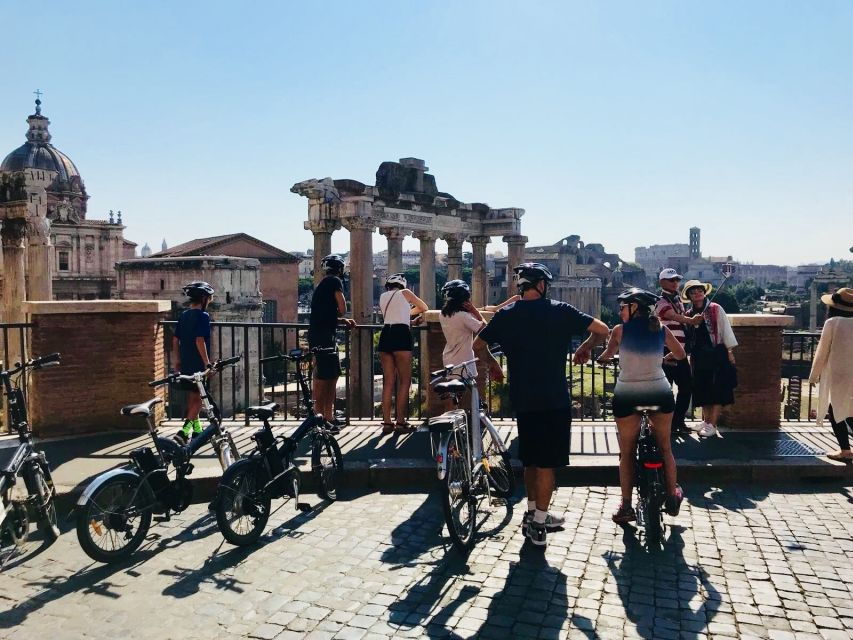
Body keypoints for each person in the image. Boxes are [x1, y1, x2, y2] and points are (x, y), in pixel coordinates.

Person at [475, 263, 610, 547]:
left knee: (531, 460)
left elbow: (477, 345)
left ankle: (531, 513)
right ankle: (539, 523)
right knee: (547, 463)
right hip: (553, 398)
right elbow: (602, 329)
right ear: (541, 285)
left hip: (523, 398)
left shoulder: (506, 315)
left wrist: (493, 364)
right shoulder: (561, 310)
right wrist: (585, 347)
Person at [597, 288, 686, 523]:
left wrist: (603, 358)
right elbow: (681, 354)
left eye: (622, 307)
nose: (619, 311)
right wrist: (663, 359)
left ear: (634, 307)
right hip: (659, 393)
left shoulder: (619, 331)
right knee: (665, 448)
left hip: (627, 396)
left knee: (626, 453)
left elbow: (608, 353)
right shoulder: (662, 329)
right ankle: (672, 496)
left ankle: (626, 507)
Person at [683, 280, 738, 438]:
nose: (697, 294)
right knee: (703, 389)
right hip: (699, 355)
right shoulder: (688, 314)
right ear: (689, 296)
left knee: (717, 389)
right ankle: (706, 421)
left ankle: (712, 424)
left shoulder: (715, 308)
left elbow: (725, 329)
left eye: (699, 291)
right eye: (693, 292)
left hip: (717, 353)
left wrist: (729, 350)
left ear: (704, 292)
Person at [308, 254, 356, 433]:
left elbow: (324, 314)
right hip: (324, 337)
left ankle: (328, 416)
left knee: (331, 376)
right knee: (324, 379)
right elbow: (342, 308)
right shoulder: (335, 281)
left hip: (319, 334)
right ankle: (321, 419)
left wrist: (341, 321)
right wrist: (342, 316)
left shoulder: (322, 284)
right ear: (340, 269)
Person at [377, 273, 428, 434]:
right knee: (405, 381)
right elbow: (424, 307)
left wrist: (407, 315)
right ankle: (400, 421)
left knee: (388, 382)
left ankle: (387, 422)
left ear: (388, 285)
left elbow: (394, 316)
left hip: (385, 334)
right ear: (402, 285)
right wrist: (411, 314)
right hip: (401, 335)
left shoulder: (383, 297)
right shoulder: (405, 293)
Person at [655, 268, 703, 435]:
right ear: (662, 282)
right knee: (665, 390)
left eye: (677, 280)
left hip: (679, 352)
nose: (675, 282)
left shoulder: (678, 301)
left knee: (686, 388)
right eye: (671, 280)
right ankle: (665, 424)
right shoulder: (659, 300)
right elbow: (671, 316)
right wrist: (691, 320)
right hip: (666, 350)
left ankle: (677, 422)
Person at [808, 288, 853, 462]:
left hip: (838, 374)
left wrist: (814, 375)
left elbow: (822, 352)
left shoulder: (832, 323)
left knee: (836, 411)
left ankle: (845, 450)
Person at [172, 281, 214, 445]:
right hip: (197, 363)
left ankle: (197, 431)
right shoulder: (203, 316)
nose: (209, 301)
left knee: (193, 397)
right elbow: (199, 340)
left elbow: (175, 340)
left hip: (186, 362)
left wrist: (177, 361)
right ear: (203, 299)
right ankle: (183, 432)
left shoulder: (184, 315)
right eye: (209, 298)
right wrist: (207, 363)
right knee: (199, 399)